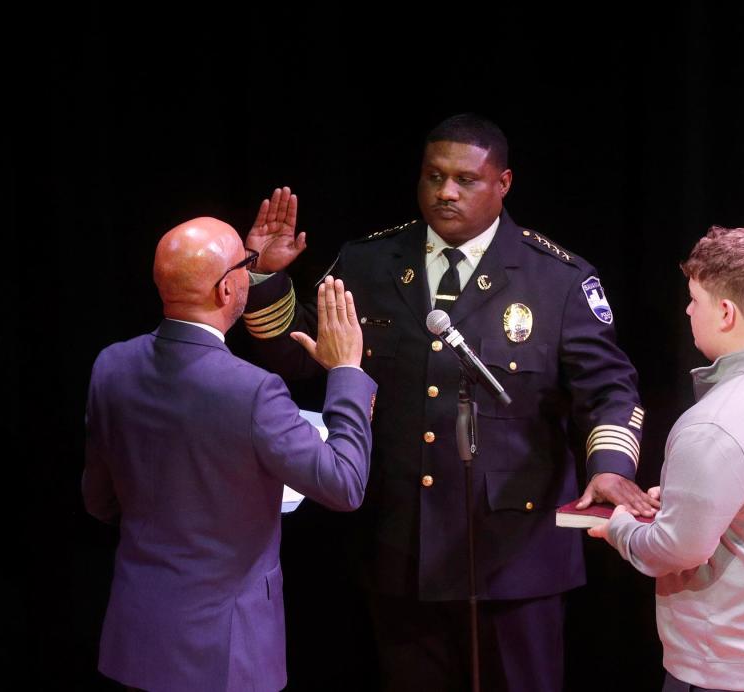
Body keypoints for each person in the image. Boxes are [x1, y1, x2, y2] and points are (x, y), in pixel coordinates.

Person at [241, 114, 658, 692]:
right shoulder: (369, 262)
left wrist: (611, 469)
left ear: (503, 183)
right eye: (434, 176)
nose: (446, 192)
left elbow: (609, 389)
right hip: (401, 547)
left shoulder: (556, 279)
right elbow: (299, 356)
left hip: (516, 554)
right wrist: (264, 277)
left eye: (465, 179)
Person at [82, 217, 377, 692]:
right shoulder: (253, 391)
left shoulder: (110, 365)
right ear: (225, 290)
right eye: (246, 264)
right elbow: (344, 485)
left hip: (135, 635)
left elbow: (99, 500)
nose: (250, 271)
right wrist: (345, 371)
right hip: (223, 653)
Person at [590, 226, 744, 692]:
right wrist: (692, 504)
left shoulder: (711, 426)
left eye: (694, 299)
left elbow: (675, 551)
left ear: (725, 312)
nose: (688, 310)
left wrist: (620, 526)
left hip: (734, 671)